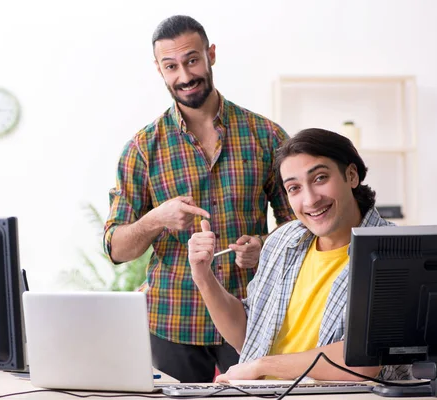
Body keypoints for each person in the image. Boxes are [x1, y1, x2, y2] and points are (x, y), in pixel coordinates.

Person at [103, 15, 295, 383]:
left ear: (210, 55)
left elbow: (301, 228)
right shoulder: (142, 150)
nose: (184, 75)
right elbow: (116, 249)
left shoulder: (266, 135)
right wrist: (156, 219)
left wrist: (264, 247)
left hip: (252, 315)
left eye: (192, 60)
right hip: (173, 321)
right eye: (171, 66)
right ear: (158, 69)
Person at [188, 128, 412, 382]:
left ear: (351, 175)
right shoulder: (282, 242)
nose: (310, 200)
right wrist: (203, 276)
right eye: (294, 188)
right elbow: (247, 334)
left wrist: (261, 366)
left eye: (319, 178)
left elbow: (364, 361)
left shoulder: (394, 253)